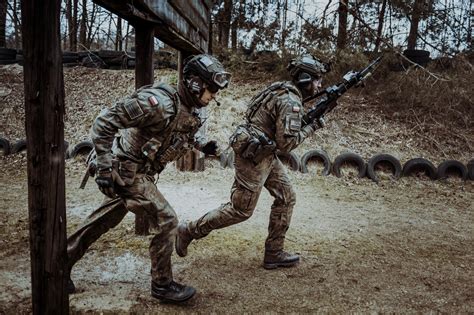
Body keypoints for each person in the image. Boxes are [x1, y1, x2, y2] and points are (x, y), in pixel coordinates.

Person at [67, 54, 231, 303]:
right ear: (196, 83)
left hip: (140, 173)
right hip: (126, 171)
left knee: (101, 221)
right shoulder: (158, 104)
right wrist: (103, 166)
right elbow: (104, 122)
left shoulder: (187, 108)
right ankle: (162, 285)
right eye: (212, 90)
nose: (214, 96)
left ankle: (59, 264)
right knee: (168, 220)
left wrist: (202, 145)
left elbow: (176, 135)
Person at [175, 54, 328, 269]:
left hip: (264, 152)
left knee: (286, 197)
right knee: (240, 210)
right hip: (253, 157)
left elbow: (275, 128)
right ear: (304, 79)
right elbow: (287, 145)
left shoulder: (280, 89)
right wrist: (312, 126)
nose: (319, 84)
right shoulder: (290, 100)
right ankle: (189, 230)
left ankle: (274, 252)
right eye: (316, 79)